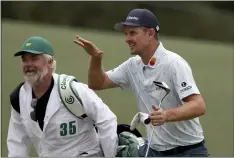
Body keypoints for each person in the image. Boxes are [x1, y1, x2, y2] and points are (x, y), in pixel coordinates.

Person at [73, 8, 209, 157]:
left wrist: (166, 115)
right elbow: (98, 83)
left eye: (132, 33)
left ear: (150, 33)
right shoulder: (132, 66)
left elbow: (198, 106)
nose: (127, 39)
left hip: (189, 151)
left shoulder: (174, 63)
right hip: (155, 151)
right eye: (126, 34)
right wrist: (96, 58)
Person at [7, 36, 118, 157]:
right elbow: (17, 143)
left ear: (49, 62)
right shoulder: (18, 98)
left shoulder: (72, 89)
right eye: (24, 60)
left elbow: (106, 119)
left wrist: (110, 155)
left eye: (34, 59)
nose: (28, 65)